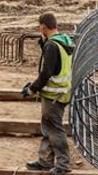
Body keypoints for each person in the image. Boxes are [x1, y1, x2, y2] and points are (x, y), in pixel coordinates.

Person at [21, 12, 75, 175]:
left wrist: (32, 88)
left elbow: (47, 72)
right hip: (61, 92)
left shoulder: (52, 46)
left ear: (43, 27)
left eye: (40, 27)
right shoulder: (63, 42)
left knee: (55, 129)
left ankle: (63, 164)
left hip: (54, 95)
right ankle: (45, 161)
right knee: (48, 127)